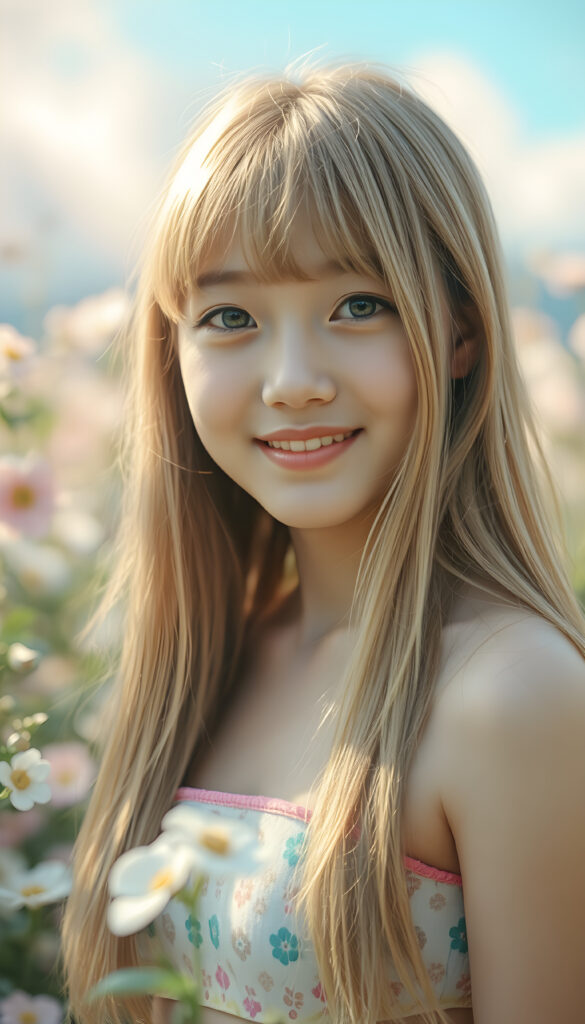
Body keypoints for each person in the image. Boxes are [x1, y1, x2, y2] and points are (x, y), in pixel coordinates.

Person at [61, 64, 585, 1024]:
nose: (293, 380)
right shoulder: (214, 660)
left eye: (357, 304)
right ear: (174, 355)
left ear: (460, 333)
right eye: (229, 318)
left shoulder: (514, 693)